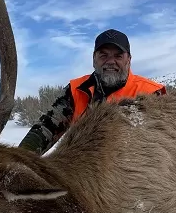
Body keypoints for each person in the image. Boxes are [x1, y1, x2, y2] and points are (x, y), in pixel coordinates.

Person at [18, 29, 167, 154]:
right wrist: (20, 158)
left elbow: (167, 145)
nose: (110, 61)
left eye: (118, 56)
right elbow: (47, 127)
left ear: (129, 59)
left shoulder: (152, 94)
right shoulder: (76, 89)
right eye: (103, 55)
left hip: (135, 177)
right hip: (84, 171)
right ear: (94, 59)